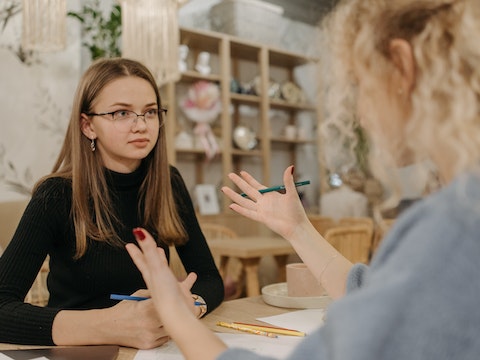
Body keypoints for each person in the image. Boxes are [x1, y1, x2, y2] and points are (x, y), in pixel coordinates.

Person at [125, 0, 480, 359]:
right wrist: (298, 229)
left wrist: (174, 313)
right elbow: (389, 302)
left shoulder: (454, 226)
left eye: (360, 84)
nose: (357, 113)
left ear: (402, 67)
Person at [0, 58, 224, 348]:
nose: (141, 125)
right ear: (88, 126)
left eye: (150, 112)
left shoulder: (168, 182)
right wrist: (109, 327)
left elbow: (208, 278)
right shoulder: (55, 195)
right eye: (121, 113)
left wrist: (188, 307)